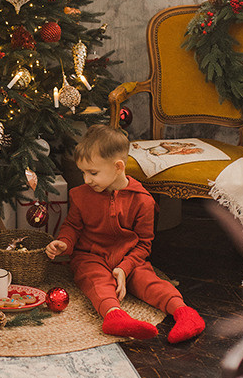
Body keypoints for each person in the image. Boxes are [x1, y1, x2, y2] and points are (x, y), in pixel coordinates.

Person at [45, 125, 205, 343]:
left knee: (150, 282)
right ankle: (114, 316)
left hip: (129, 258)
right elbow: (72, 226)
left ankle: (184, 313)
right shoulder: (81, 195)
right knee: (96, 281)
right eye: (83, 172)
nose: (86, 180)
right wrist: (64, 242)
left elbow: (144, 244)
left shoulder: (143, 201)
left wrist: (124, 268)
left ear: (118, 167)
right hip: (90, 256)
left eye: (93, 173)